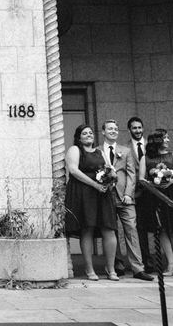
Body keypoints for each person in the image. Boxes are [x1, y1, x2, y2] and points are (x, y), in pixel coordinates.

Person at [64, 124, 119, 281]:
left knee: (109, 228)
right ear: (79, 137)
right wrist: (95, 184)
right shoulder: (75, 150)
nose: (88, 135)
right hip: (84, 193)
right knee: (87, 229)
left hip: (102, 194)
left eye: (90, 133)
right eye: (84, 133)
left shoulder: (100, 151)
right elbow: (74, 170)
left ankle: (111, 269)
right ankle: (89, 269)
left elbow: (110, 169)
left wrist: (111, 180)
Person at [100, 120, 153, 281]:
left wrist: (129, 193)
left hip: (125, 197)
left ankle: (138, 268)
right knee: (110, 231)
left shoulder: (126, 150)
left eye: (116, 129)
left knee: (132, 230)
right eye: (110, 129)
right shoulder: (97, 151)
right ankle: (117, 265)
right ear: (103, 132)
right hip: (105, 196)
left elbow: (132, 174)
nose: (113, 131)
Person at [137, 130, 173, 275]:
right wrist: (153, 184)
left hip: (172, 194)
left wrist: (169, 180)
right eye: (165, 138)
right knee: (161, 229)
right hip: (154, 196)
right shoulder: (145, 158)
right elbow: (141, 178)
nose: (168, 140)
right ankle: (171, 262)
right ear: (157, 140)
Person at [126, 116, 152, 272]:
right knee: (140, 228)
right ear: (129, 130)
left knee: (160, 226)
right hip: (137, 193)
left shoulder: (151, 145)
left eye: (139, 127)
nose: (138, 130)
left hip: (155, 192)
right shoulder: (126, 148)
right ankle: (146, 261)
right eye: (134, 128)